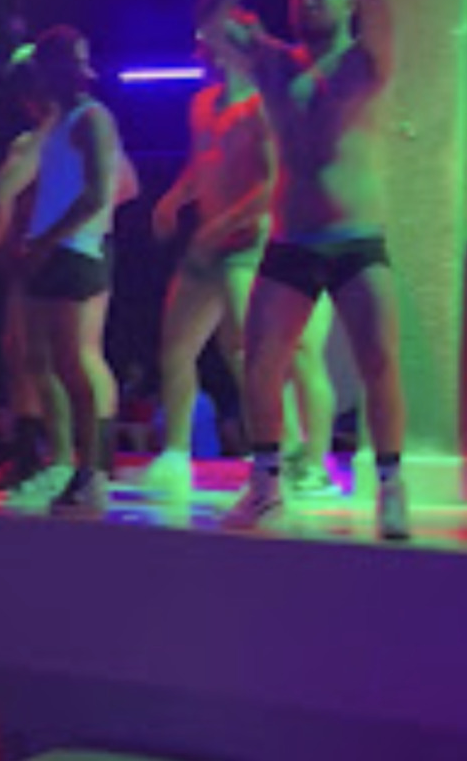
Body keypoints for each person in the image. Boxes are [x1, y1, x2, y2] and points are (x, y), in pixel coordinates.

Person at [196, 0, 408, 538]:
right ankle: (265, 486)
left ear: (344, 2)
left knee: (379, 361)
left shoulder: (366, 62)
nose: (309, 0)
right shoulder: (273, 63)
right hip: (291, 240)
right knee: (259, 361)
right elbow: (208, 20)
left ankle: (390, 487)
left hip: (356, 239)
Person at [143, 36, 336, 498]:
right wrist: (174, 199)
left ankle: (291, 451)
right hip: (208, 247)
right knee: (177, 346)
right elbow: (202, 166)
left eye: (208, 46)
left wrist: (224, 224)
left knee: (252, 353)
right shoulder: (202, 104)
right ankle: (175, 455)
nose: (200, 55)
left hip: (248, 245)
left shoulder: (261, 108)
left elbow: (271, 183)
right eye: (198, 46)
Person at [19, 25, 139, 516]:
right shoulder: (61, 120)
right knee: (48, 363)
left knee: (74, 364)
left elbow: (98, 193)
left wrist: (45, 241)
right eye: (67, 61)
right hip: (56, 250)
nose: (80, 71)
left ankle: (92, 471)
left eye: (79, 60)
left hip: (76, 250)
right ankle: (69, 464)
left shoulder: (93, 118)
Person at [0, 44, 54, 492]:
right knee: (21, 355)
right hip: (30, 262)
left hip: (52, 261)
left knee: (51, 358)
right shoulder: (36, 140)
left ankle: (57, 457)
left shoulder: (65, 135)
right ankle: (29, 456)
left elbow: (122, 184)